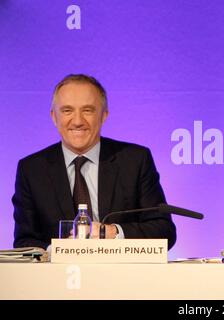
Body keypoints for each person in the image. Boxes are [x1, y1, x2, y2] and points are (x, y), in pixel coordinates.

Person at [12, 74, 176, 249]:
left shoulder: (135, 160)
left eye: (87, 110)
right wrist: (58, 252)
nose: (77, 121)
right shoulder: (31, 169)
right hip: (59, 275)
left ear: (104, 115)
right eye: (67, 110)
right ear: (54, 116)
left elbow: (164, 231)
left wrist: (112, 232)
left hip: (124, 273)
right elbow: (24, 242)